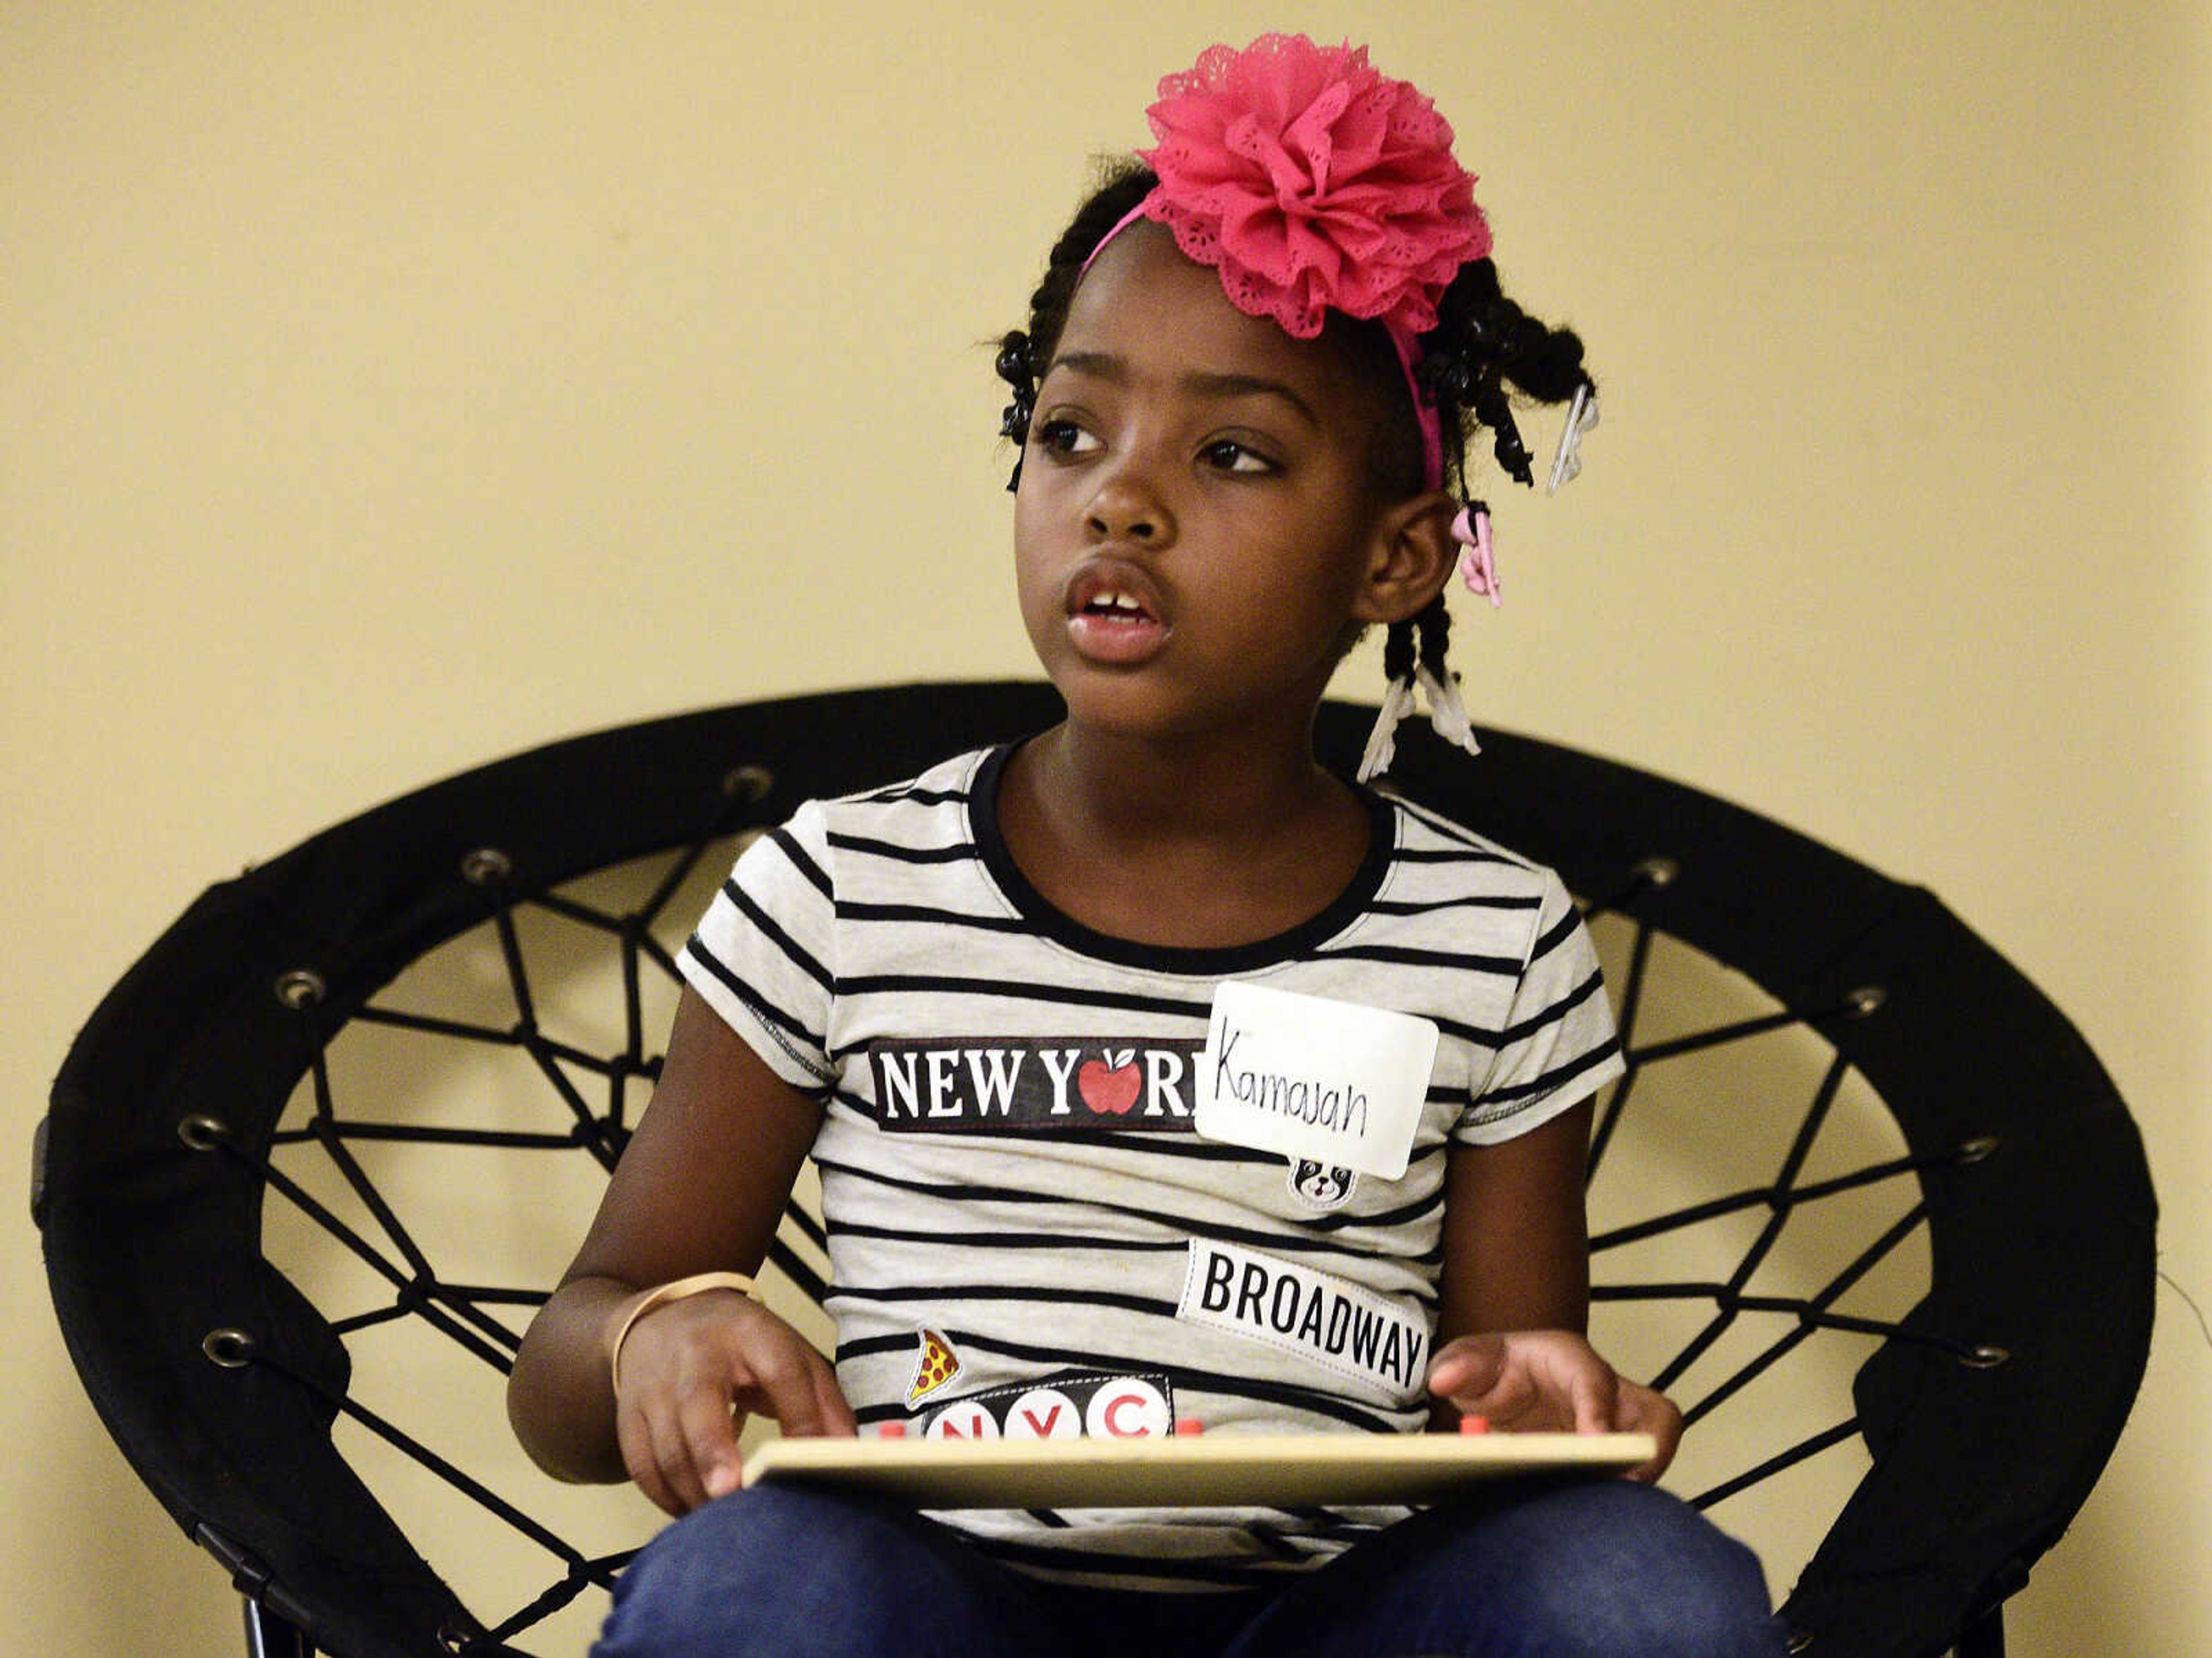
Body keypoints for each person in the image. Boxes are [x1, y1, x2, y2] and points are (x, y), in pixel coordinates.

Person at [509, 32, 1785, 1657]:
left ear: (1396, 558)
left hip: (1332, 1629)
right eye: (1070, 435)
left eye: (1232, 454)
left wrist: (1543, 1409)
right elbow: (566, 1363)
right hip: (938, 1617)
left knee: (1631, 1585)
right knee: (756, 1583)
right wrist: (652, 1343)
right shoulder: (844, 895)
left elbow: (1509, 1412)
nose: (1120, 502)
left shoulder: (1498, 940)